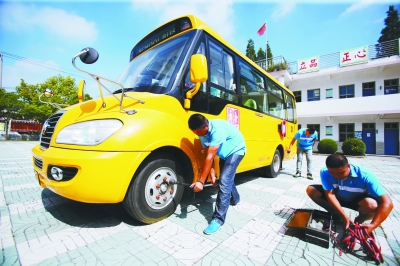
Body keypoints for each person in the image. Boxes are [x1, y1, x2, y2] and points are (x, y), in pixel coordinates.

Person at [188, 113, 246, 235]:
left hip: (236, 150)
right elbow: (207, 156)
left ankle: (218, 220)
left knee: (224, 181)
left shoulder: (218, 130)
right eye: (195, 133)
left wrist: (201, 181)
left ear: (206, 126)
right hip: (224, 153)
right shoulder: (202, 133)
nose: (197, 135)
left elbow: (210, 157)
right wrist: (212, 176)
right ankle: (236, 198)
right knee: (226, 178)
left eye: (198, 133)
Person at [306, 154, 393, 234]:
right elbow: (330, 195)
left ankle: (358, 222)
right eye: (332, 173)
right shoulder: (324, 172)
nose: (336, 176)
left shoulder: (366, 175)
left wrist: (373, 225)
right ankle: (335, 214)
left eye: (341, 172)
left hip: (356, 200)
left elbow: (387, 203)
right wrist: (343, 216)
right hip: (337, 197)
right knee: (311, 190)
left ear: (348, 166)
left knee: (372, 205)